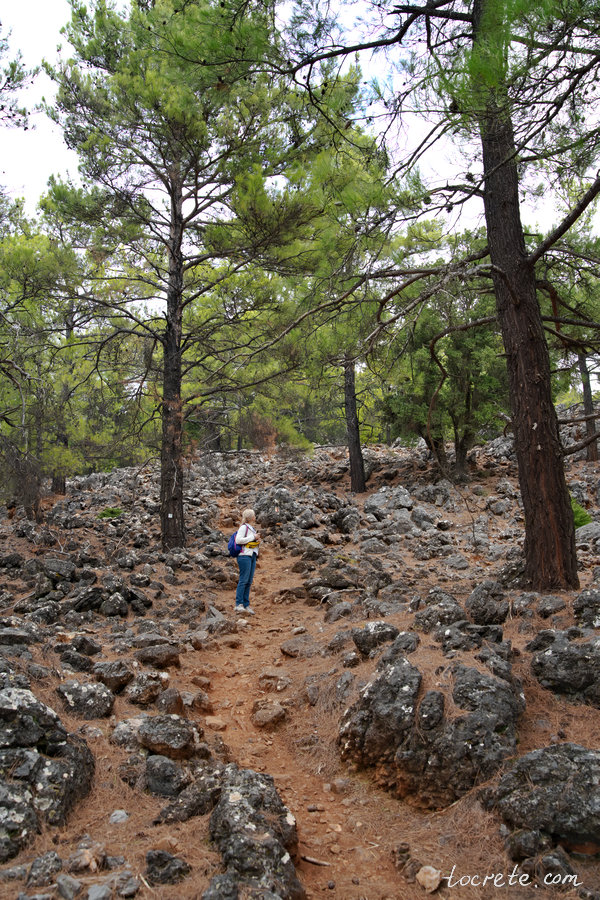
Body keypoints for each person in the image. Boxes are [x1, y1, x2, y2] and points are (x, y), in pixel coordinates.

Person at [234, 508, 260, 614]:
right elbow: (238, 540)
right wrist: (252, 537)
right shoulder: (244, 527)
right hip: (244, 555)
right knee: (243, 580)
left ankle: (246, 604)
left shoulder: (251, 528)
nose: (255, 517)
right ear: (251, 517)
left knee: (248, 581)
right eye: (254, 515)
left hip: (252, 555)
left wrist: (256, 540)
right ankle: (239, 604)